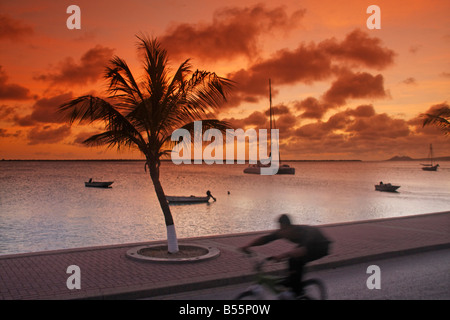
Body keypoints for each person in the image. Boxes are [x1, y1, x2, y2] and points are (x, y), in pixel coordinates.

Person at [241, 214, 331, 296]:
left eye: (283, 229)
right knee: (293, 261)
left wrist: (282, 255)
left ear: (289, 227)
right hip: (306, 246)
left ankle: (297, 292)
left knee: (295, 259)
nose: (282, 232)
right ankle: (293, 283)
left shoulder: (306, 233)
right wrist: (248, 245)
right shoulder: (283, 232)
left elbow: (303, 250)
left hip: (321, 246)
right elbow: (266, 239)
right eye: (280, 229)